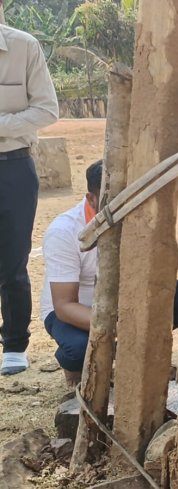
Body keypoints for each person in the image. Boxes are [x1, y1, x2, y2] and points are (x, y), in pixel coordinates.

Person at [40, 161, 178, 386]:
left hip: (124, 304)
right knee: (78, 351)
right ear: (91, 199)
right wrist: (123, 329)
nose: (122, 208)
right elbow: (64, 306)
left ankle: (130, 356)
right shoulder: (63, 231)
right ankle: (76, 368)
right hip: (74, 310)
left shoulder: (138, 214)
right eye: (113, 201)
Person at [0, 19, 59, 375]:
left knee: (13, 260)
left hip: (13, 167)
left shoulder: (24, 46)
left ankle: (15, 345)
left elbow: (47, 109)